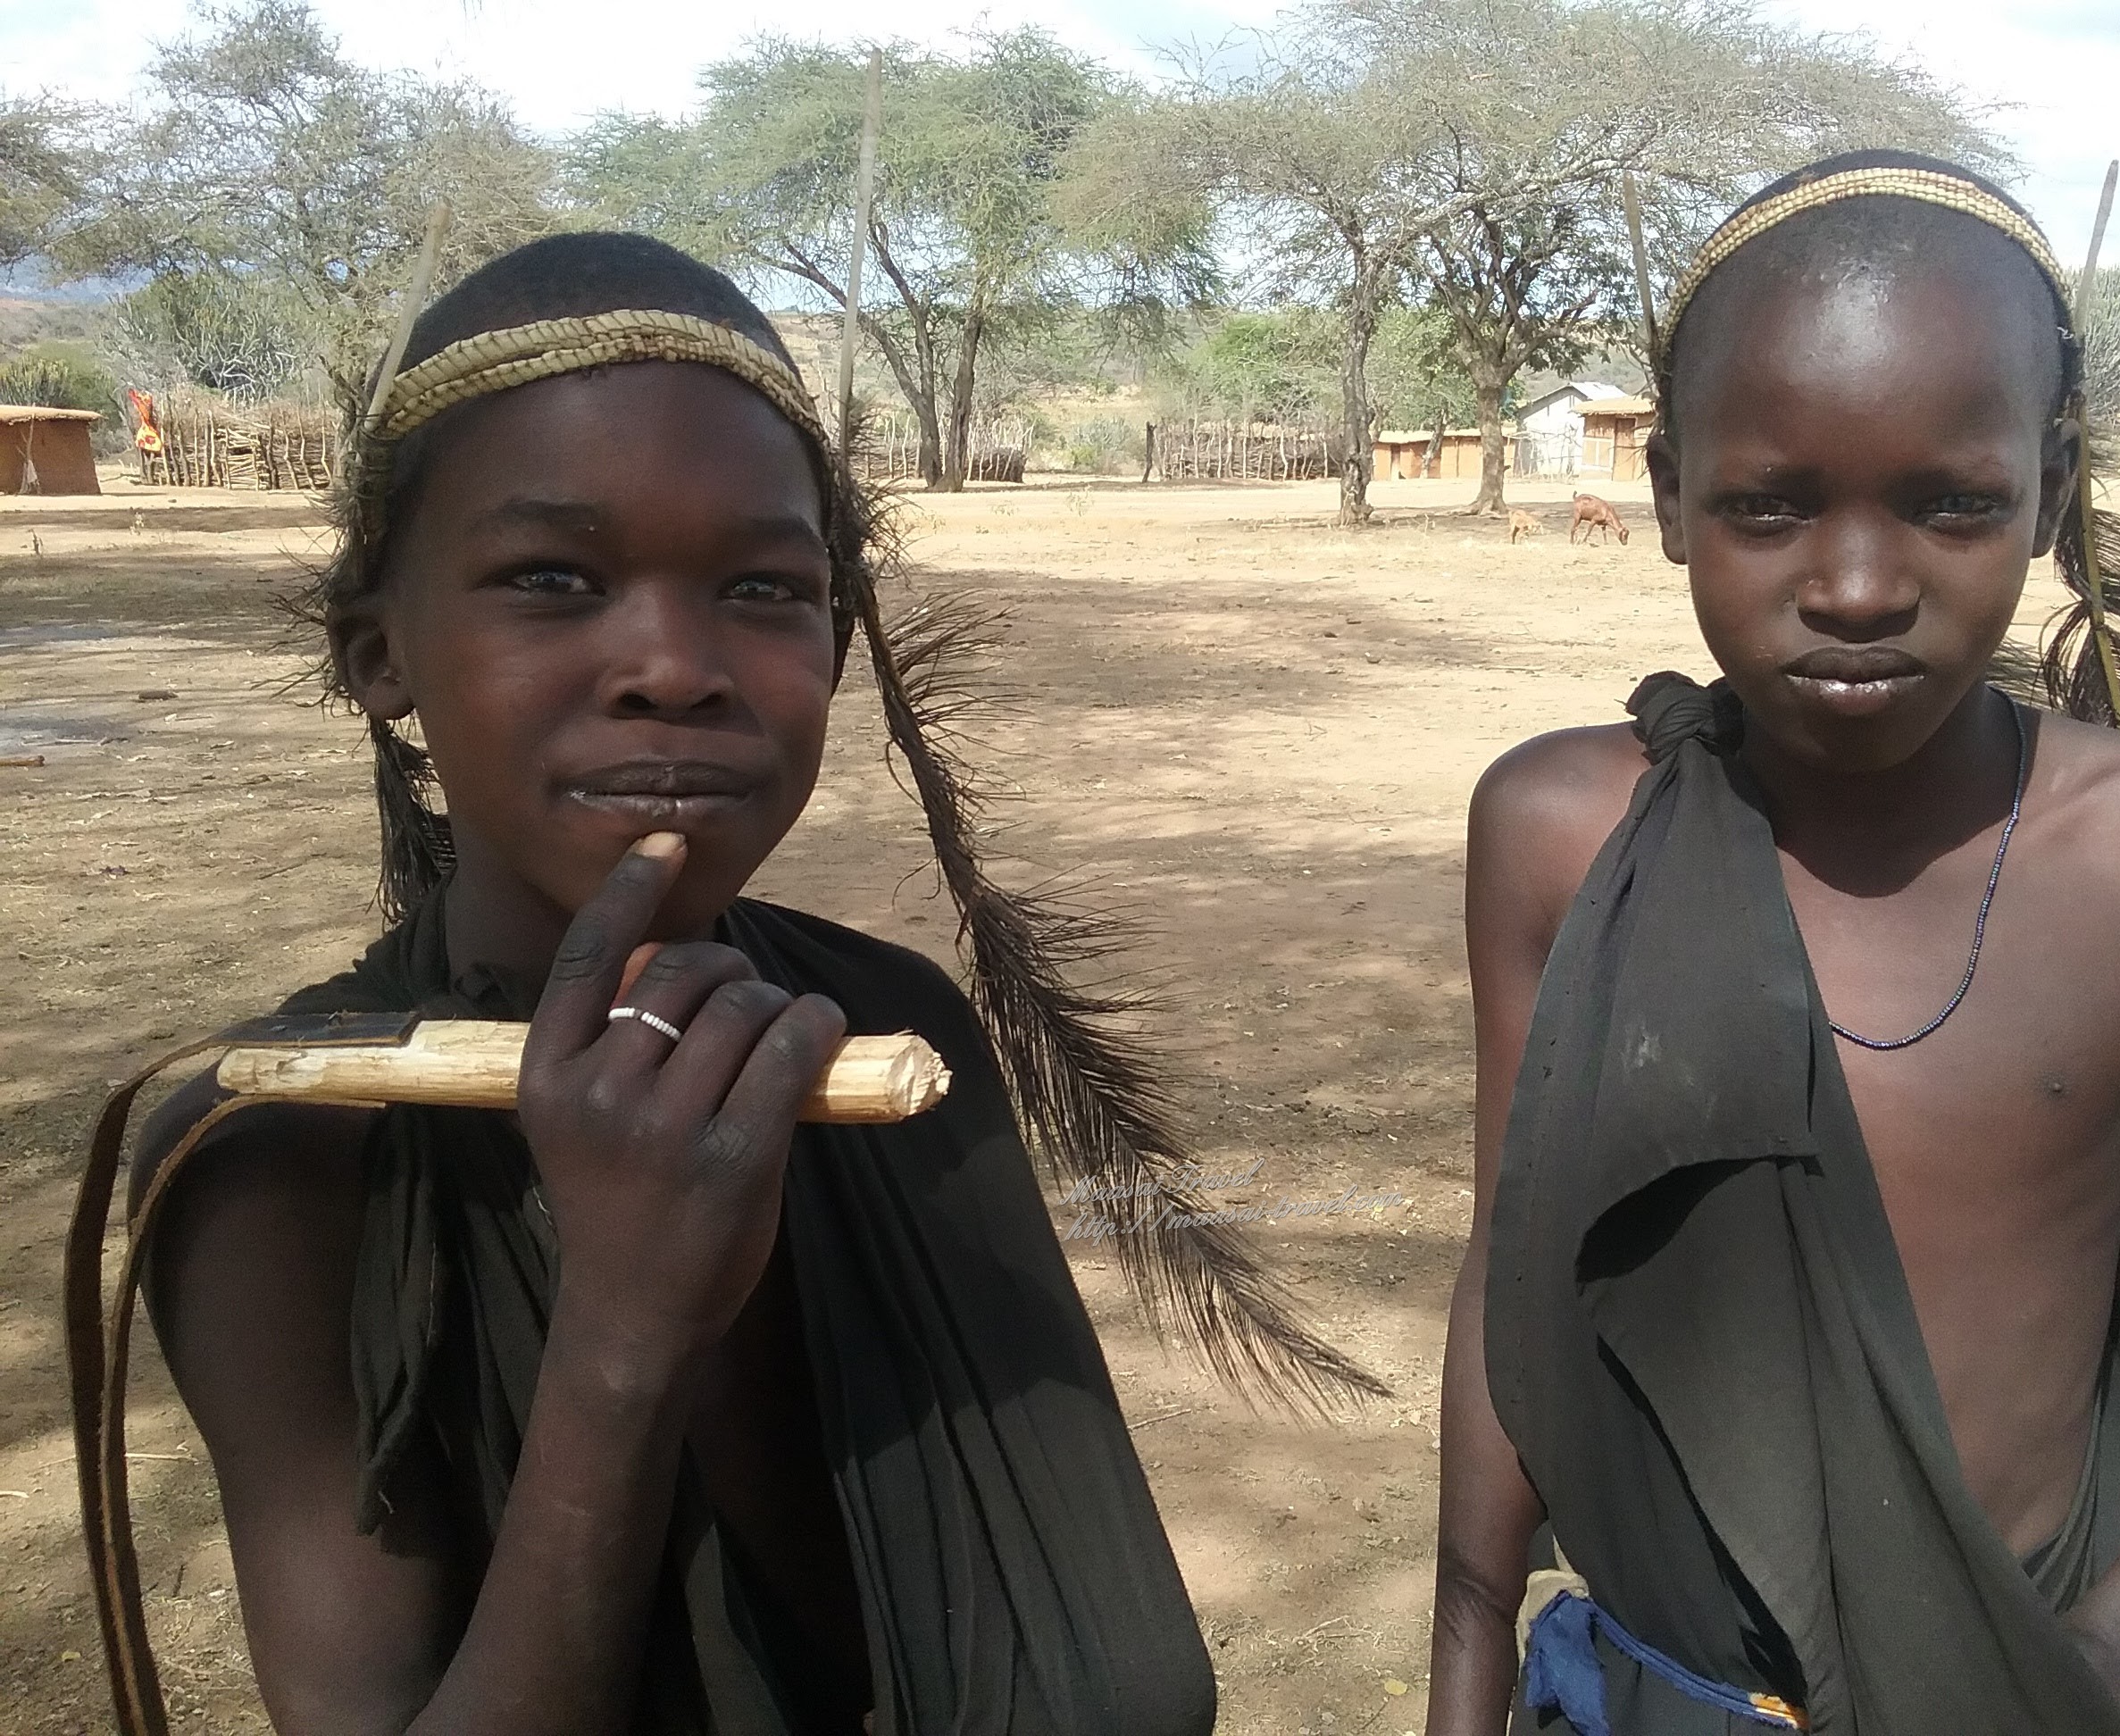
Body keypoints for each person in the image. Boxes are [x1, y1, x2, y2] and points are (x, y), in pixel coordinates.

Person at [72, 231, 1363, 1736]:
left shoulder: (893, 1037)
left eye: (763, 587)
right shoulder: (281, 1158)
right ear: (380, 654)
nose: (676, 665)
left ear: (836, 636)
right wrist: (626, 1330)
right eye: (552, 578)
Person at [1428, 152, 2120, 1735]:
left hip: (2035, 1681)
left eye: (1950, 504)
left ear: (2045, 496)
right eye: (1769, 505)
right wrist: (1468, 1661)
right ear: (1670, 498)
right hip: (1660, 1688)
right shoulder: (1563, 830)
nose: (1853, 587)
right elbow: (1514, 1257)